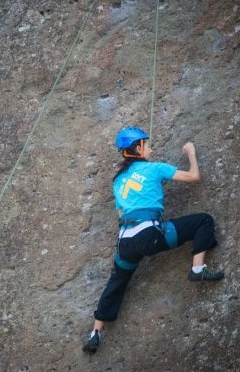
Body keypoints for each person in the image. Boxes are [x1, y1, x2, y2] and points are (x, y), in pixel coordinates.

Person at [82, 126, 224, 354]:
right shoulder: (155, 169)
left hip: (125, 242)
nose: (151, 148)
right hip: (149, 234)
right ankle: (198, 268)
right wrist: (191, 153)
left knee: (116, 282)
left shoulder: (118, 181)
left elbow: (122, 216)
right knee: (203, 221)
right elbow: (194, 176)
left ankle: (95, 333)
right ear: (138, 148)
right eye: (147, 145)